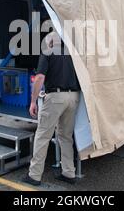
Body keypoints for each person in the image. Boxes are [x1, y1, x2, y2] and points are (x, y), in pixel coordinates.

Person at [23, 32, 81, 186]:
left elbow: (40, 78)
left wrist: (33, 101)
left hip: (55, 98)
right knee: (66, 137)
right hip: (74, 97)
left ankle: (34, 176)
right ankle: (69, 173)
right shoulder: (72, 55)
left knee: (42, 136)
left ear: (49, 43)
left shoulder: (48, 53)